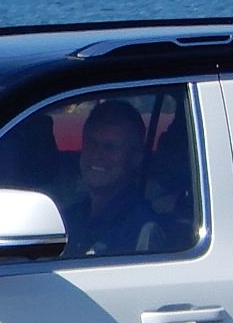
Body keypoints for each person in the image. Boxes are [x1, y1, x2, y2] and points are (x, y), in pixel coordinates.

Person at [61, 100, 161, 256]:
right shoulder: (67, 218)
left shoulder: (142, 229)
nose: (97, 155)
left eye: (110, 147)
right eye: (91, 143)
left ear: (135, 158)